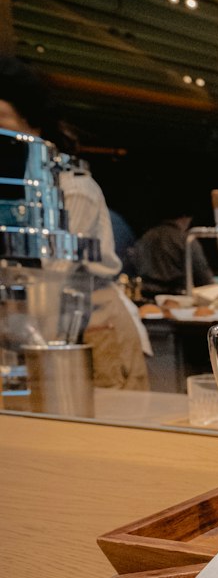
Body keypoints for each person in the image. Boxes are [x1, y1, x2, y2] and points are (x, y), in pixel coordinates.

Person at [0, 58, 149, 389]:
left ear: (33, 125)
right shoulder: (11, 193)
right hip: (33, 339)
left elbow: (52, 280)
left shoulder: (71, 189)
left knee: (103, 437)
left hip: (92, 335)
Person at [133, 205, 214, 298]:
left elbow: (135, 264)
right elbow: (203, 275)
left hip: (146, 297)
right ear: (185, 218)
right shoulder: (186, 240)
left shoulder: (146, 237)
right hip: (178, 298)